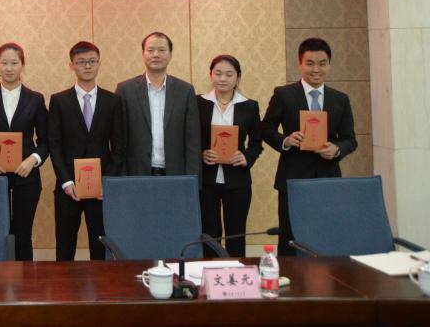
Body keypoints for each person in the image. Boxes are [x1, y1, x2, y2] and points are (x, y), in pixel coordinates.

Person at [261, 37, 357, 255]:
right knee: (289, 236)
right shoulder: (283, 94)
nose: (316, 69)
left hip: (327, 177)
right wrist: (285, 140)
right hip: (292, 178)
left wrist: (337, 149)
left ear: (329, 65)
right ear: (300, 64)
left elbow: (350, 139)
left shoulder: (340, 99)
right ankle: (288, 275)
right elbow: (265, 129)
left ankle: (327, 276)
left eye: (322, 64)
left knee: (326, 234)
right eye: (310, 63)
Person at [0, 42, 48, 261]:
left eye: (14, 63)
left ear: (22, 65)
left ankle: (24, 278)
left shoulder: (35, 99)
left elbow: (46, 140)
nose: (9, 68)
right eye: (4, 63)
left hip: (27, 174)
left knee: (23, 233)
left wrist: (33, 160)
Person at [49, 41, 125, 261]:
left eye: (92, 61)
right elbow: (54, 143)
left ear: (99, 63)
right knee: (65, 246)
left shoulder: (113, 101)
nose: (88, 66)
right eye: (81, 62)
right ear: (71, 65)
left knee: (100, 247)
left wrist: (106, 182)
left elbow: (119, 146)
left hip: (100, 189)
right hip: (68, 186)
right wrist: (65, 181)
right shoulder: (59, 100)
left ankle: (101, 284)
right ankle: (65, 285)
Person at [196, 55, 263, 258]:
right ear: (211, 75)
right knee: (209, 234)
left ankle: (237, 273)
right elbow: (190, 137)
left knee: (236, 233)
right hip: (206, 180)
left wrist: (246, 157)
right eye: (218, 73)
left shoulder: (249, 106)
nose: (222, 79)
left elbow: (256, 142)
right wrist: (201, 153)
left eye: (228, 74)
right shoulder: (199, 103)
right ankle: (209, 272)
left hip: (238, 180)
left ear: (237, 77)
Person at [116, 32, 201, 177]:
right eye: (150, 50)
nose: (156, 54)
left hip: (176, 174)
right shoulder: (125, 90)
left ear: (170, 54)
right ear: (143, 54)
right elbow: (119, 138)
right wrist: (122, 176)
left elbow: (193, 139)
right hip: (136, 173)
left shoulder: (185, 90)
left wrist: (192, 179)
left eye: (162, 50)